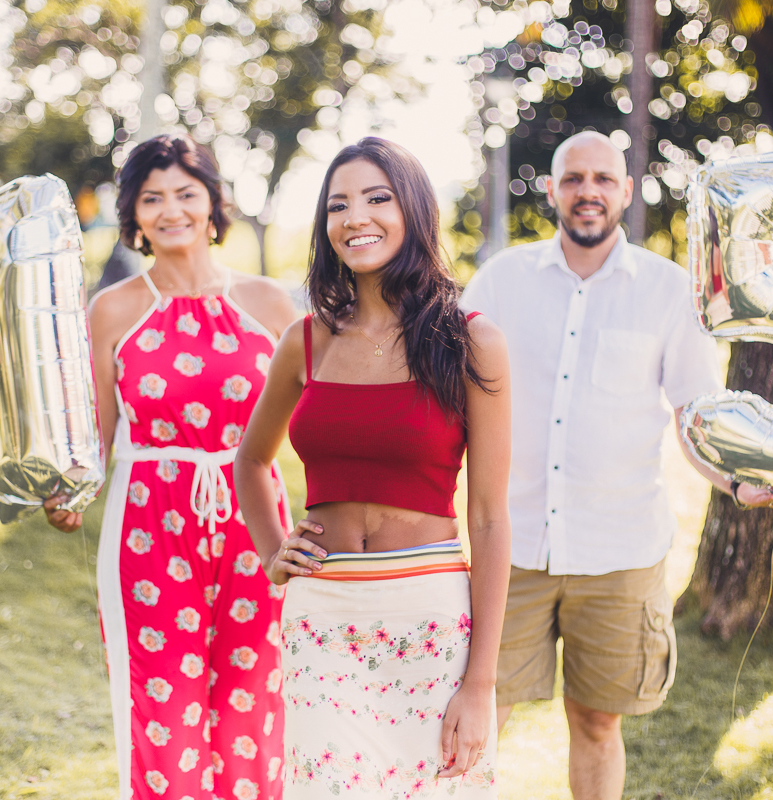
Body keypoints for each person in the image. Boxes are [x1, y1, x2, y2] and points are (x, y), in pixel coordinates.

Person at [459, 131, 773, 800]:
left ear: (624, 190)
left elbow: (693, 413)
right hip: (514, 549)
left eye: (602, 179)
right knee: (485, 720)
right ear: (555, 190)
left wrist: (737, 480)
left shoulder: (667, 289)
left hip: (620, 553)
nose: (587, 190)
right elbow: (443, 381)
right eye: (573, 178)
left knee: (595, 722)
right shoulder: (502, 280)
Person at [233, 137, 512, 799]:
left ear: (413, 210)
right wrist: (274, 553)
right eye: (338, 205)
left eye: (377, 198)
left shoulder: (472, 341)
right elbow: (249, 460)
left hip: (431, 620)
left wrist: (481, 683)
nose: (356, 216)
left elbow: (494, 518)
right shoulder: (306, 340)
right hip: (322, 616)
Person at [43, 134, 297, 800]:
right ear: (134, 215)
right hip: (150, 529)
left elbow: (315, 427)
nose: (171, 209)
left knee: (254, 707)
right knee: (165, 712)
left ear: (213, 203)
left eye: (186, 193)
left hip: (257, 526)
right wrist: (68, 489)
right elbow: (94, 432)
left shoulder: (270, 305)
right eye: (152, 198)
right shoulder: (114, 310)